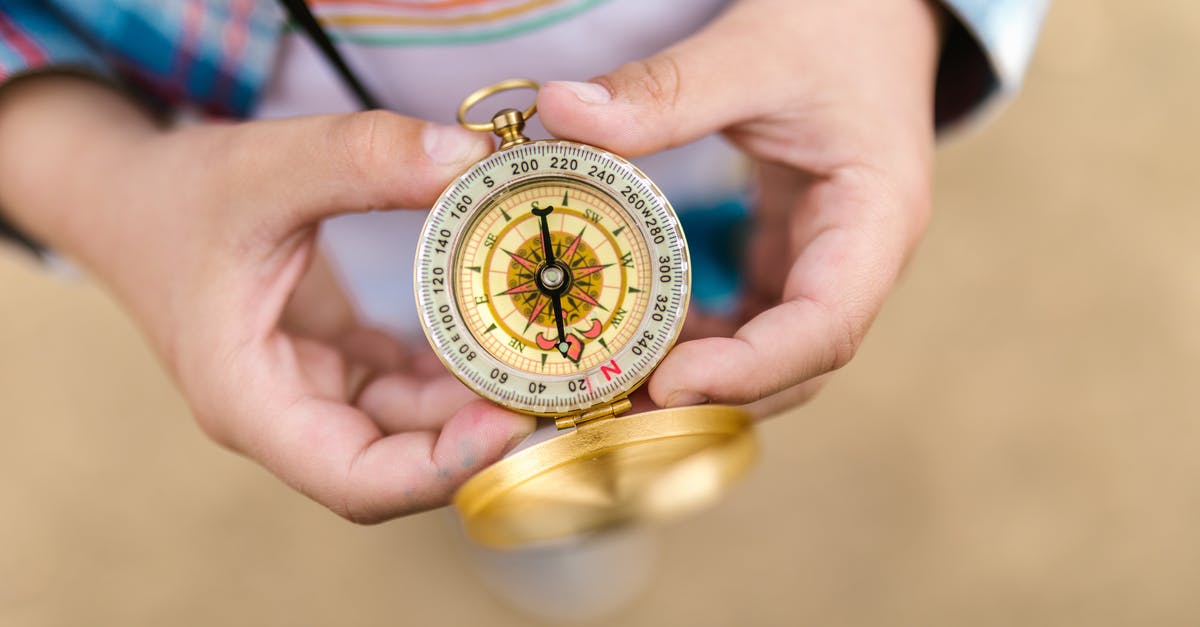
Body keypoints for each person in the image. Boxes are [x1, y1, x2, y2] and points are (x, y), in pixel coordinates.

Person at [0, 0, 1048, 525]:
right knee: (438, 405)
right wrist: (104, 182)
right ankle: (545, 470)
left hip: (726, 143)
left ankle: (588, 460)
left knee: (704, 306)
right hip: (325, 254)